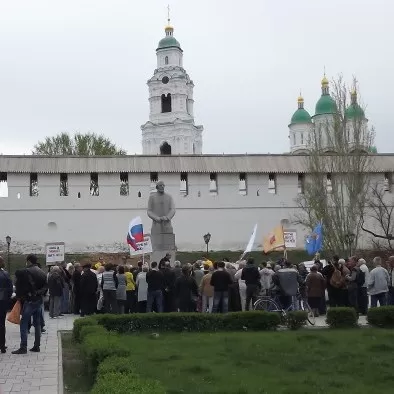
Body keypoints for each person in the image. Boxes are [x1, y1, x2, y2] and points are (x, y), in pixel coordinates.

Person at [12, 254, 48, 354]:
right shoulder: (42, 272)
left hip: (29, 300)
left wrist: (19, 297)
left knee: (24, 322)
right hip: (39, 300)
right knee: (37, 324)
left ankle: (23, 346)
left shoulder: (25, 272)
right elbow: (46, 287)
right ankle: (37, 346)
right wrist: (39, 293)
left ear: (28, 261)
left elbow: (20, 286)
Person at [0, 256, 13, 353]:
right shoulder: (5, 274)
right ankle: (2, 345)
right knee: (1, 324)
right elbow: (10, 289)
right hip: (2, 302)